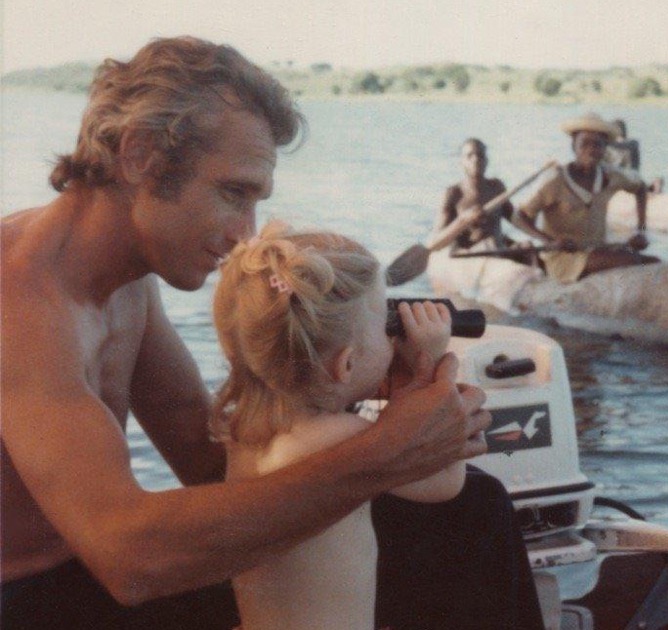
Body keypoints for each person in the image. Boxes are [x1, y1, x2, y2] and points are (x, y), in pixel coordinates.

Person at [0, 36, 543, 630]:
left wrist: (352, 390)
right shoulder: (18, 301)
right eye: (234, 193)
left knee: (472, 506)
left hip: (98, 581)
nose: (246, 233)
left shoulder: (128, 283)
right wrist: (390, 450)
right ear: (140, 156)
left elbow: (209, 462)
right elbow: (132, 561)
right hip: (34, 602)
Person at [212, 222, 466, 628]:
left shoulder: (245, 432)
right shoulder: (337, 438)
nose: (393, 338)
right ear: (345, 364)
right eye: (385, 328)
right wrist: (427, 366)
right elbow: (445, 478)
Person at [511, 112, 659, 283]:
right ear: (573, 147)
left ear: (605, 148)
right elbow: (519, 216)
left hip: (599, 251)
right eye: (584, 144)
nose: (591, 150)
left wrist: (640, 231)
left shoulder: (611, 176)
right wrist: (549, 241)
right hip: (562, 258)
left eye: (597, 144)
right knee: (630, 261)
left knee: (654, 263)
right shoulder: (555, 180)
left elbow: (641, 188)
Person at [426, 138, 542, 312]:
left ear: (487, 160)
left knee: (529, 249)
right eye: (470, 155)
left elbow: (515, 219)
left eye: (480, 155)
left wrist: (546, 239)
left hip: (498, 251)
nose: (476, 159)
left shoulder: (497, 187)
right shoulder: (454, 193)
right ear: (461, 162)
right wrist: (463, 220)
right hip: (474, 257)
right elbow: (435, 242)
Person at [605, 119, 663, 193]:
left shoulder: (613, 145)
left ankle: (652, 187)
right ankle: (653, 186)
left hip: (625, 179)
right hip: (634, 177)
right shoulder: (633, 143)